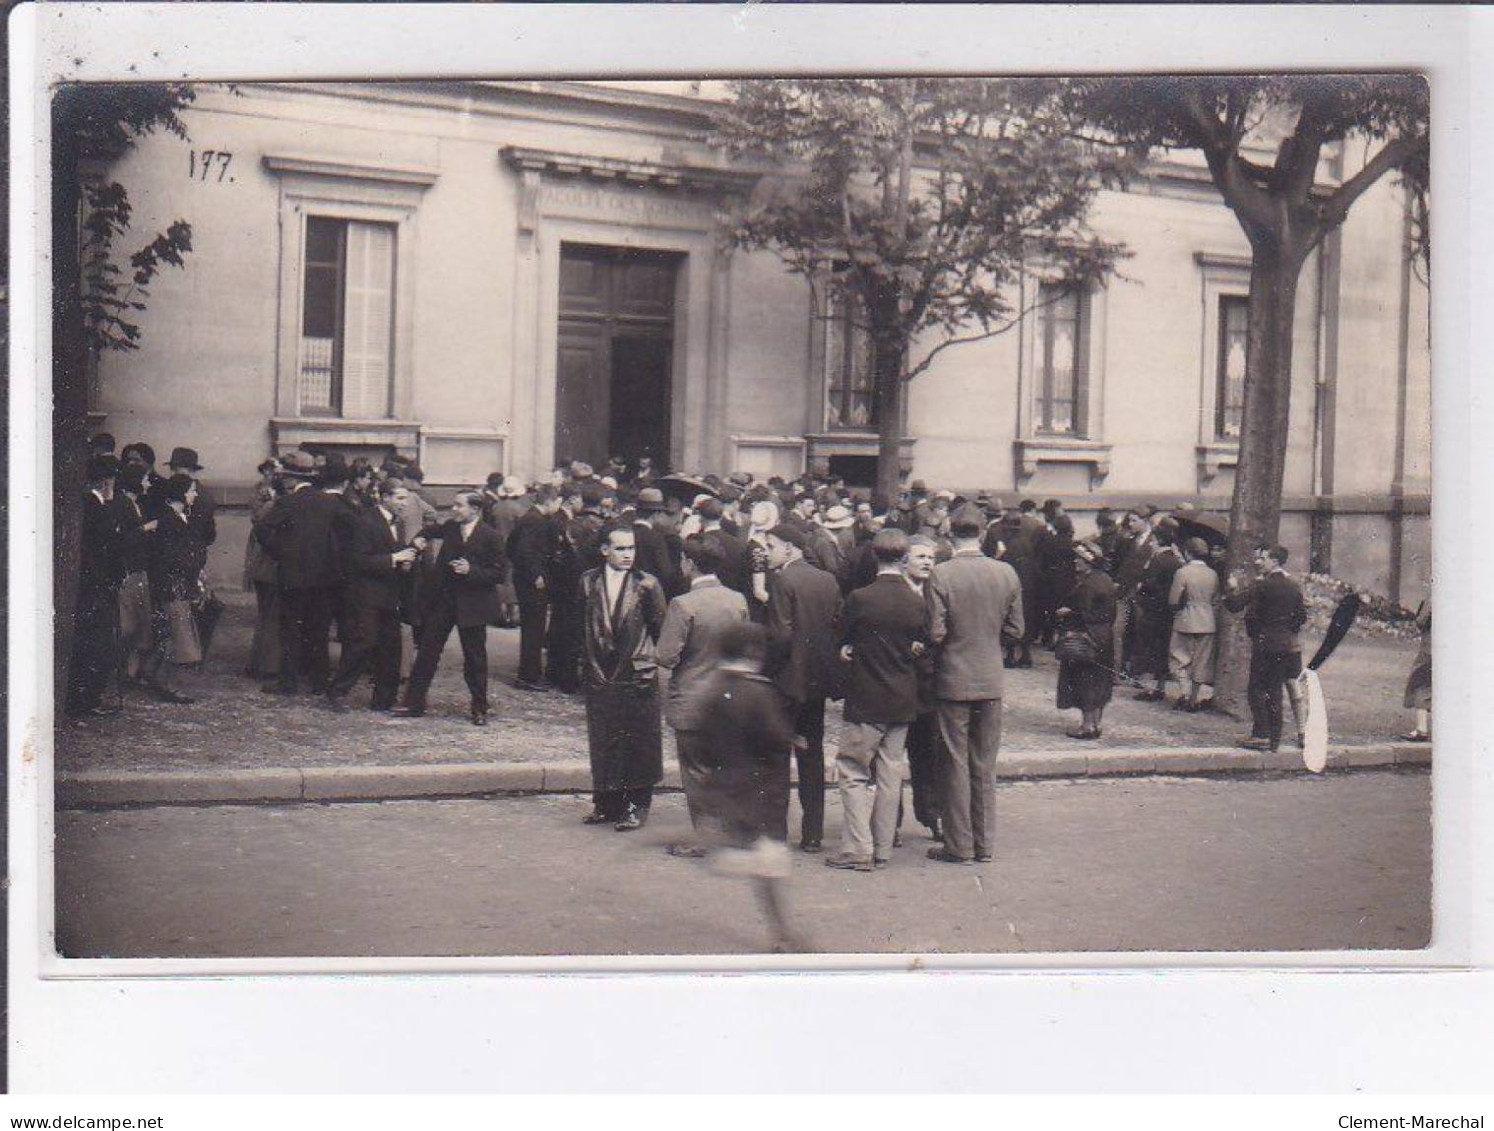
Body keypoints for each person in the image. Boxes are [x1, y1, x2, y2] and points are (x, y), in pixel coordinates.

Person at [925, 506, 1024, 865]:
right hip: (990, 676)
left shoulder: (942, 574)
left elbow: (935, 631)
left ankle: (959, 844)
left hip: (953, 678)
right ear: (983, 534)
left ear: (951, 535)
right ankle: (984, 844)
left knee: (955, 763)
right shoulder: (1006, 572)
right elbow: (1016, 631)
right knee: (985, 763)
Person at [828, 528, 928, 872]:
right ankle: (883, 847)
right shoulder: (916, 601)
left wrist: (848, 650)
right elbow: (920, 644)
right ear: (904, 559)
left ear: (874, 556)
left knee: (853, 773)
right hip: (902, 698)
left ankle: (858, 847)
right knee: (890, 775)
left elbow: (843, 638)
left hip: (866, 698)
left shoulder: (860, 598)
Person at [655, 535, 750, 854]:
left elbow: (666, 655)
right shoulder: (737, 599)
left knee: (697, 772)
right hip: (730, 697)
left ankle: (707, 838)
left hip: (693, 699)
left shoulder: (683, 604)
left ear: (689, 563)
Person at [579, 524, 669, 830]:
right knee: (604, 738)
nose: (628, 554)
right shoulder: (589, 580)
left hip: (636, 672)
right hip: (600, 671)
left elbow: (660, 628)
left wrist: (648, 662)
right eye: (620, 548)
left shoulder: (647, 584)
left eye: (631, 548)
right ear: (605, 550)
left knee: (638, 741)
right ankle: (605, 802)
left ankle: (636, 806)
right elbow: (584, 624)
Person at [763, 522, 844, 853]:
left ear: (789, 548)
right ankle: (813, 833)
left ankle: (776, 832)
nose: (766, 552)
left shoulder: (783, 580)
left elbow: (780, 635)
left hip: (786, 682)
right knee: (812, 755)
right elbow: (836, 626)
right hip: (816, 681)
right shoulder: (827, 580)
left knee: (777, 756)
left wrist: (768, 670)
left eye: (770, 546)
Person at [394, 492, 507, 725]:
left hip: (473, 606)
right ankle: (413, 703)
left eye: (459, 505)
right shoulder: (451, 527)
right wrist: (417, 541)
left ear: (475, 510)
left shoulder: (492, 536)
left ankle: (479, 707)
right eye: (454, 504)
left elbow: (499, 574)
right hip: (444, 602)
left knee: (475, 658)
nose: (454, 509)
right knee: (427, 652)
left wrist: (472, 571)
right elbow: (429, 531)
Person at [256, 456, 358, 696]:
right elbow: (352, 530)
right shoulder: (331, 503)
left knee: (290, 629)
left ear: (292, 480)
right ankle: (319, 682)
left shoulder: (287, 503)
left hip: (292, 576)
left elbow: (262, 528)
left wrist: (281, 551)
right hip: (324, 578)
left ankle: (288, 683)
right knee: (319, 631)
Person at [326, 478, 419, 713]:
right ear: (384, 497)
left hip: (389, 593)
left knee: (391, 646)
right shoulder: (365, 522)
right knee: (363, 643)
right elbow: (357, 560)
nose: (404, 503)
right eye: (399, 498)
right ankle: (337, 692)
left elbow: (387, 555)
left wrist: (403, 564)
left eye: (405, 499)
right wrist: (394, 559)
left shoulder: (396, 523)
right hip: (365, 595)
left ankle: (384, 699)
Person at [1225, 545, 1307, 753]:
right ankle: (1274, 739)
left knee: (1256, 689)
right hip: (1285, 644)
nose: (1260, 562)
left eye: (1265, 558)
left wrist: (1232, 587)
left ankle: (1261, 733)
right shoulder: (1293, 585)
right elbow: (1301, 617)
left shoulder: (1261, 584)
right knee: (1275, 690)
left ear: (1275, 561)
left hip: (1265, 643)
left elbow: (1234, 605)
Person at [138, 473, 207, 705]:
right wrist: (193, 565)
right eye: (191, 490)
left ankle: (150, 672)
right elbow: (171, 557)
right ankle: (169, 684)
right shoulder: (169, 520)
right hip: (172, 584)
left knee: (170, 632)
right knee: (178, 634)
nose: (195, 494)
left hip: (176, 583)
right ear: (180, 494)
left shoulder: (178, 517)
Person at [67, 455, 126, 717]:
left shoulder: (95, 503)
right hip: (97, 585)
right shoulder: (94, 505)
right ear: (107, 480)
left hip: (100, 584)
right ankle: (86, 700)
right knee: (96, 643)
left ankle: (89, 697)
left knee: (98, 643)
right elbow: (106, 546)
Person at [898, 534, 944, 843]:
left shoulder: (936, 593)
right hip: (897, 688)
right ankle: (891, 823)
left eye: (931, 557)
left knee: (928, 757)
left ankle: (933, 817)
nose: (927, 562)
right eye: (920, 557)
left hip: (928, 691)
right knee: (888, 761)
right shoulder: (895, 593)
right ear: (904, 562)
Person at [1055, 540, 1118, 740]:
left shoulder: (1088, 584)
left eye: (1079, 559)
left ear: (1088, 561)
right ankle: (1097, 723)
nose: (1075, 562)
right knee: (1100, 680)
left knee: (1085, 680)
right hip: (1104, 636)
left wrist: (1067, 613)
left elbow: (1085, 612)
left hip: (1085, 637)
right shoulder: (1106, 579)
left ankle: (1087, 726)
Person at [506, 484, 559, 691]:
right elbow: (524, 550)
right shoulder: (535, 521)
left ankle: (531, 674)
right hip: (532, 582)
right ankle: (528, 676)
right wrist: (536, 574)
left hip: (526, 578)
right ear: (548, 501)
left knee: (533, 627)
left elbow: (511, 547)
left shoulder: (530, 518)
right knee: (533, 629)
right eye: (557, 501)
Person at [114, 464, 158, 689]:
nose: (148, 483)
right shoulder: (122, 505)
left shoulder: (136, 504)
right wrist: (146, 529)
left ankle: (130, 674)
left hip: (139, 571)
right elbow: (121, 540)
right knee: (128, 625)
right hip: (128, 572)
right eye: (145, 479)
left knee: (140, 625)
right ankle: (123, 673)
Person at [1131, 515, 1182, 701]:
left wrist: (1140, 588)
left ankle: (1149, 689)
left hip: (1152, 611)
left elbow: (1149, 584)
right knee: (1162, 650)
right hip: (1167, 612)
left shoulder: (1157, 561)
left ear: (1157, 541)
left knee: (1148, 649)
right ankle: (1159, 687)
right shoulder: (1175, 561)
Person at [1167, 537, 1220, 712]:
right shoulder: (1212, 574)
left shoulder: (1183, 572)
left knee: (1178, 658)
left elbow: (1174, 600)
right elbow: (1215, 600)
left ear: (1188, 553)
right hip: (1207, 621)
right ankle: (1194, 698)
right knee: (1202, 661)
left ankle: (1183, 693)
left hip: (1186, 619)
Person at [243, 457, 283, 680]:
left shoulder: (268, 503)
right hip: (269, 566)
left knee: (266, 616)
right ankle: (266, 665)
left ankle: (259, 663)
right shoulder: (272, 506)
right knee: (270, 616)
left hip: (262, 565)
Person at [1402, 594, 1432, 742]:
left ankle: (1421, 729)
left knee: (1420, 684)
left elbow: (1421, 621)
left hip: (1430, 649)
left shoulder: (1434, 597)